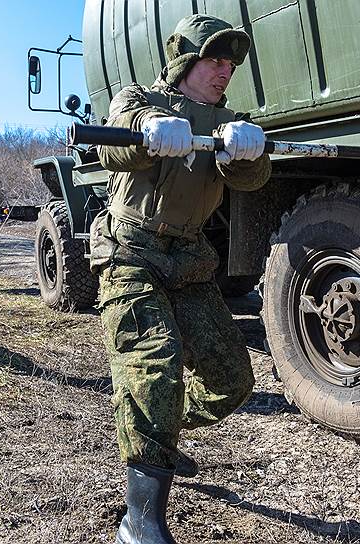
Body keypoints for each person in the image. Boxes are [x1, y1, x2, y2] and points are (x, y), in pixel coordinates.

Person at [90, 14, 271, 544]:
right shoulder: (138, 99)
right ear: (186, 61)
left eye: (231, 63)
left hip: (189, 259)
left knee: (231, 381)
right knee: (153, 368)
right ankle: (138, 520)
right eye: (215, 60)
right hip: (131, 251)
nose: (225, 71)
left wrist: (248, 149)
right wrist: (148, 132)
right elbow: (113, 146)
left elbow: (253, 180)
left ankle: (157, 430)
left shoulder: (228, 121)